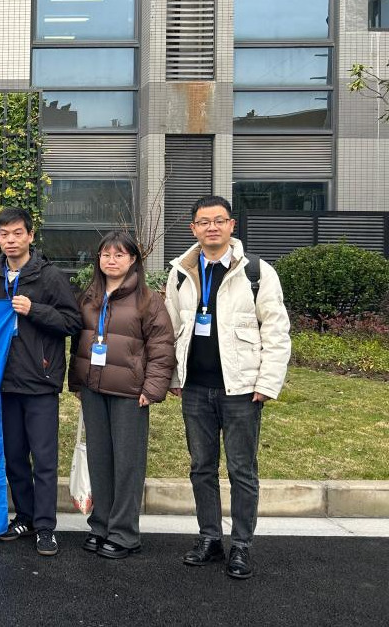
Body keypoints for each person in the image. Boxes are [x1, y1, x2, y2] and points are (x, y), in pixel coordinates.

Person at [165, 195, 291, 580]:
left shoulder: (256, 272)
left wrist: (267, 382)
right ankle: (209, 538)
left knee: (241, 470)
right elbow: (170, 329)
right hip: (195, 389)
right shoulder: (181, 273)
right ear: (194, 229)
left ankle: (241, 545)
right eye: (204, 222)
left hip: (241, 389)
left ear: (232, 225)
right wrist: (174, 378)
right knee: (201, 468)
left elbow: (277, 331)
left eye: (219, 220)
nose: (212, 228)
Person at [67, 231, 175, 559]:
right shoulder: (89, 296)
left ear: (132, 260)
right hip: (94, 389)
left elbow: (162, 347)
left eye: (119, 255)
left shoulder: (148, 300)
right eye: (105, 255)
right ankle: (100, 525)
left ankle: (125, 533)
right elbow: (80, 342)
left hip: (130, 393)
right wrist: (77, 382)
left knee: (127, 464)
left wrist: (152, 389)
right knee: (99, 460)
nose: (111, 261)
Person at [0, 207, 82, 557]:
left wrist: (34, 309)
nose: (10, 240)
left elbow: (72, 322)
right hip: (4, 381)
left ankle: (45, 526)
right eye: (4, 234)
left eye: (17, 233)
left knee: (43, 458)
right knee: (14, 456)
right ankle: (24, 517)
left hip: (40, 380)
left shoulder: (49, 276)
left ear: (30, 235)